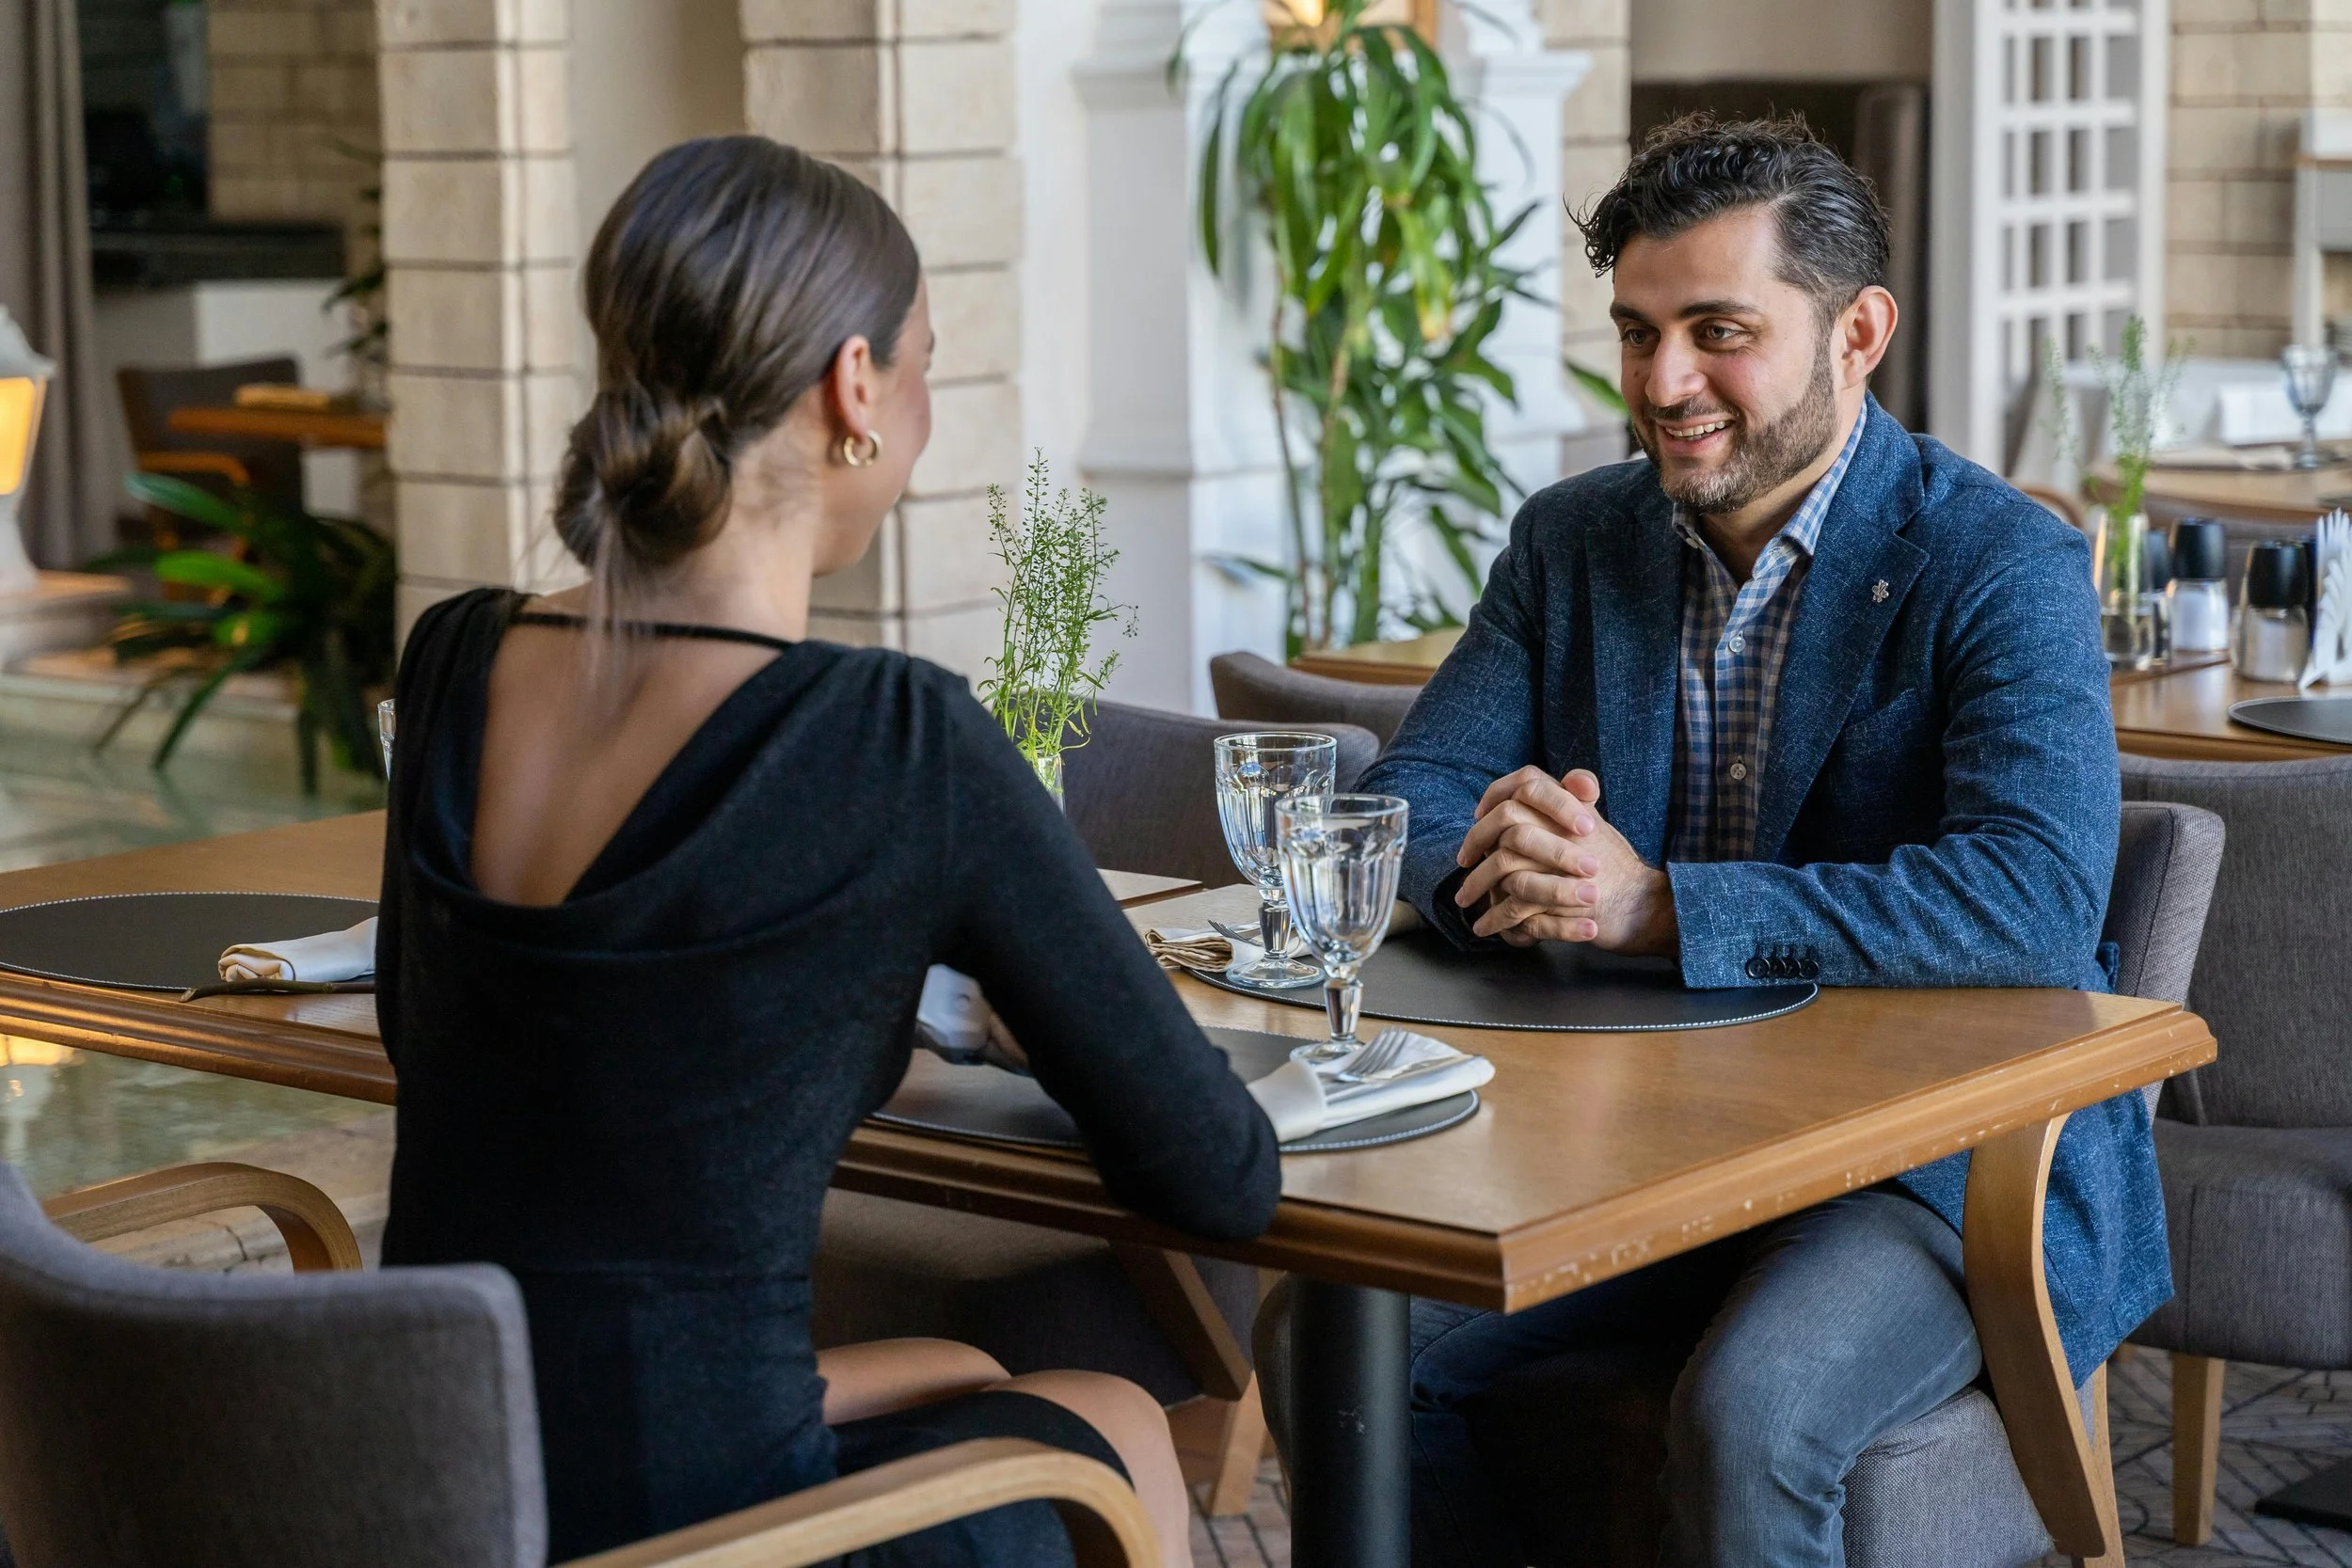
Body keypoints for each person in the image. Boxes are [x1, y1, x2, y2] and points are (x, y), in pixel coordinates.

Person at [374, 135, 1281, 1567]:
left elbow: (466, 1041)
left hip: (434, 1478)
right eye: (923, 365)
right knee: (1108, 1412)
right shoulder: (896, 740)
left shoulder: (453, 663)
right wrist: (1060, 1029)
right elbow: (1221, 1176)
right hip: (708, 1532)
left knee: (972, 1372)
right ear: (854, 390)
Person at [1353, 116, 2166, 1566]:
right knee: (1345, 1340)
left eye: (1718, 331)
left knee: (1752, 1413)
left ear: (1859, 332)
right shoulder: (1571, 541)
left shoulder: (2000, 558)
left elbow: (2033, 899)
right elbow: (1410, 800)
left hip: (1934, 1165)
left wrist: (1659, 907)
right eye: (1639, 332)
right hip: (1634, 1141)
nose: (1666, 386)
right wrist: (1507, 862)